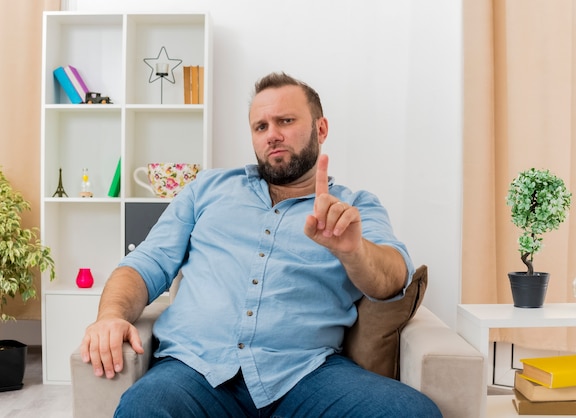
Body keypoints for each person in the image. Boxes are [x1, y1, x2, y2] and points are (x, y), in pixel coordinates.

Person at [80, 72, 442, 417]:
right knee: (142, 409)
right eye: (261, 126)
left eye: (285, 121)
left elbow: (394, 277)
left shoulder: (353, 205)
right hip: (194, 371)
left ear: (321, 128)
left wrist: (355, 251)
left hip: (307, 373)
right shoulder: (205, 190)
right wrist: (110, 316)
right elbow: (146, 263)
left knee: (412, 413)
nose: (272, 135)